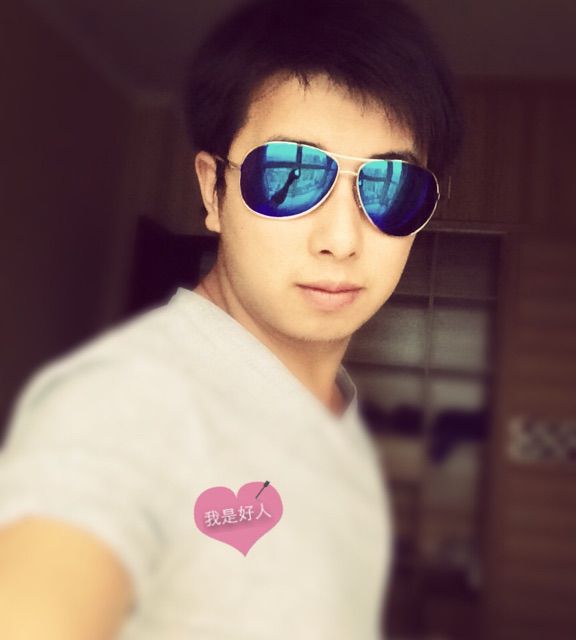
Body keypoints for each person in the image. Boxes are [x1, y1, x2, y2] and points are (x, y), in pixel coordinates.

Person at [0, 0, 462, 637]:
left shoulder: (334, 408)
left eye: (393, 185)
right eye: (290, 174)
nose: (341, 239)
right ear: (211, 190)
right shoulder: (123, 406)